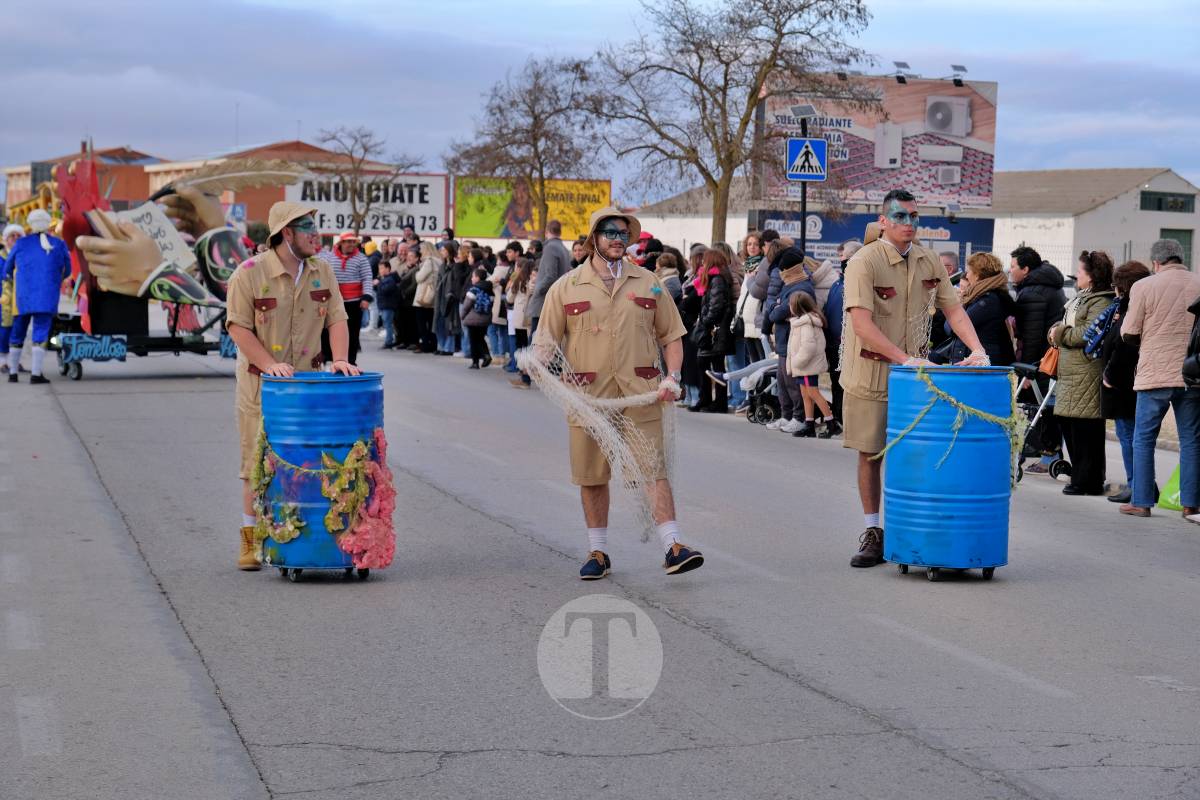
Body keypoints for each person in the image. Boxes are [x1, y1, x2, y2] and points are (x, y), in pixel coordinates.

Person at [532, 207, 703, 579]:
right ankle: (598, 552)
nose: (617, 239)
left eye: (623, 234)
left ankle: (673, 546)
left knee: (653, 468)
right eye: (609, 232)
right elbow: (545, 345)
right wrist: (546, 372)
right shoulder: (566, 287)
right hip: (588, 398)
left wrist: (672, 376)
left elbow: (672, 336)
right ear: (593, 237)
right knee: (592, 476)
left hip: (641, 392)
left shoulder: (649, 283)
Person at [841, 189, 987, 568]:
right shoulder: (864, 261)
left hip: (915, 375)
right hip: (872, 372)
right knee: (871, 452)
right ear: (883, 220)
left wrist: (978, 351)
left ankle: (913, 529)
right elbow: (861, 324)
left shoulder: (928, 260)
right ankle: (873, 532)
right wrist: (906, 359)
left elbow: (953, 309)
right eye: (900, 216)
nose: (909, 224)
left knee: (918, 450)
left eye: (914, 216)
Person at [225, 203, 359, 570]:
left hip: (309, 387)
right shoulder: (250, 274)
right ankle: (249, 542)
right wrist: (270, 365)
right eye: (308, 228)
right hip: (261, 386)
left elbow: (337, 319)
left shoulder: (322, 271)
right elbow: (237, 326)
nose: (317, 235)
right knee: (256, 464)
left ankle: (298, 534)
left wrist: (341, 358)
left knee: (308, 463)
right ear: (287, 233)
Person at [1118, 238, 1200, 519]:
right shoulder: (1198, 283)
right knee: (1191, 439)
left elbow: (1129, 331)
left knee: (1143, 437)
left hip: (1155, 372)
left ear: (1155, 262)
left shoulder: (1144, 286)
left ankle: (1141, 501)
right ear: (1180, 257)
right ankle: (1191, 504)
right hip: (1192, 374)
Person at [1049, 250, 1117, 497]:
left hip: (1086, 371)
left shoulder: (1102, 300)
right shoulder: (1082, 297)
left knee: (1086, 429)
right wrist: (1058, 330)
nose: (1076, 275)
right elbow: (1066, 325)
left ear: (1091, 275)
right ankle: (1083, 477)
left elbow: (1086, 333)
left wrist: (1060, 333)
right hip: (1071, 371)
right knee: (1071, 425)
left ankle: (1086, 480)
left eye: (1079, 271)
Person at [1102, 261, 1151, 505]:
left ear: (1123, 287)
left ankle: (1136, 485)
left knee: (1129, 435)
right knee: (1134, 435)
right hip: (1134, 379)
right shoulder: (1135, 305)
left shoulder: (1131, 309)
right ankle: (1143, 484)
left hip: (1123, 383)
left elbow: (1122, 345)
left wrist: (1109, 377)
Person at [3, 210, 70, 384]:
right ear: (48, 224)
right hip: (47, 296)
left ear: (31, 224)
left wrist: (14, 278)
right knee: (40, 333)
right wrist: (55, 280)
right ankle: (35, 373)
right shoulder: (59, 244)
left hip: (23, 297)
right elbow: (68, 269)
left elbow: (7, 268)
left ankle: (12, 373)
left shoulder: (21, 244)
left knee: (18, 332)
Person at [932, 252, 1016, 366]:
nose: (966, 275)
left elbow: (952, 327)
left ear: (977, 275)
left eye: (969, 271)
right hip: (978, 361)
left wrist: (955, 305)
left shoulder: (987, 301)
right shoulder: (986, 298)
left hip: (981, 364)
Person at [765, 247, 816, 433]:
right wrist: (775, 307)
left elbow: (776, 313)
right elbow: (776, 310)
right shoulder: (789, 286)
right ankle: (786, 416)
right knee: (782, 381)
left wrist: (775, 307)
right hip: (783, 341)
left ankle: (798, 417)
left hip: (792, 342)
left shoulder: (802, 287)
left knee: (793, 383)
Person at [786, 290, 840, 438]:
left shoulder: (807, 323)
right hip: (804, 366)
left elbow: (808, 347)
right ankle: (809, 424)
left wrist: (797, 361)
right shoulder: (801, 322)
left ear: (797, 307)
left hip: (807, 365)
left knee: (813, 393)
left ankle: (831, 423)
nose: (788, 307)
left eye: (790, 304)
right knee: (805, 394)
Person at [689, 248, 736, 413]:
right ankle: (706, 399)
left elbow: (716, 306)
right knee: (708, 364)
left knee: (714, 366)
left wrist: (705, 322)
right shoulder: (715, 278)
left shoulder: (717, 279)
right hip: (712, 328)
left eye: (704, 260)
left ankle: (717, 402)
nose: (702, 263)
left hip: (714, 330)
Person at [319, 231, 373, 365]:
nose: (351, 244)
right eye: (348, 241)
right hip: (333, 301)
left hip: (354, 302)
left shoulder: (361, 259)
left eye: (353, 242)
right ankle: (328, 357)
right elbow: (323, 276)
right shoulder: (329, 258)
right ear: (341, 243)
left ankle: (350, 360)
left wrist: (366, 297)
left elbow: (367, 278)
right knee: (327, 330)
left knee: (352, 333)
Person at [823, 240, 860, 425]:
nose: (841, 259)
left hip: (846, 342)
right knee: (835, 381)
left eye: (843, 256)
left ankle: (846, 418)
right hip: (832, 342)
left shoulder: (855, 283)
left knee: (844, 383)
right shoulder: (837, 283)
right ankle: (837, 415)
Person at [1009, 246, 1066, 364]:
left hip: (1040, 363)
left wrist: (1026, 370)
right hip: (1050, 357)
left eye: (1012, 267)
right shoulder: (1047, 284)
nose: (1010, 270)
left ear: (1025, 269)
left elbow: (1031, 338)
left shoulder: (1032, 293)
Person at [0, 222, 27, 374]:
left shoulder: (23, 257)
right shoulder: (1, 257)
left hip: (21, 298)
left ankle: (14, 361)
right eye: (12, 236)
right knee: (4, 330)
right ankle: (3, 360)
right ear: (6, 239)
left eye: (18, 236)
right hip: (4, 300)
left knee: (19, 330)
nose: (15, 239)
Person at [505, 257, 534, 376]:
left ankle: (521, 368)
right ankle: (528, 370)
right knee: (529, 344)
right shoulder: (533, 282)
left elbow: (509, 298)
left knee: (520, 345)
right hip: (529, 316)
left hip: (517, 317)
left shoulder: (518, 281)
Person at [461, 267, 494, 369]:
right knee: (480, 338)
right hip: (485, 319)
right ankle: (486, 355)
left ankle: (475, 362)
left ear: (478, 278)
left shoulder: (473, 290)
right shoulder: (490, 290)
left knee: (473, 340)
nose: (471, 279)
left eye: (473, 276)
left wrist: (462, 316)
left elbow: (467, 305)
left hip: (472, 319)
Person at [411, 241, 439, 352]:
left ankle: (426, 345)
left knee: (422, 323)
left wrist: (417, 271)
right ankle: (433, 344)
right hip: (432, 296)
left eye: (421, 249)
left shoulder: (428, 262)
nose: (420, 252)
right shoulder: (438, 261)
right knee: (431, 322)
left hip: (423, 296)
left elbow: (419, 278)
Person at [432, 241, 459, 355]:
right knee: (439, 321)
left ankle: (448, 348)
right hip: (440, 297)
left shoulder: (454, 266)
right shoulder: (442, 266)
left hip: (449, 297)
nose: (442, 252)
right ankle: (441, 346)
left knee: (449, 323)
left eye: (444, 250)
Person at [374, 260, 400, 349]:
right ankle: (389, 340)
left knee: (388, 324)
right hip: (383, 305)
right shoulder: (384, 279)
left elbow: (386, 290)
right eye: (379, 268)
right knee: (386, 323)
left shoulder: (390, 279)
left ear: (388, 268)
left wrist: (379, 283)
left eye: (382, 268)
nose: (380, 270)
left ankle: (389, 341)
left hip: (388, 306)